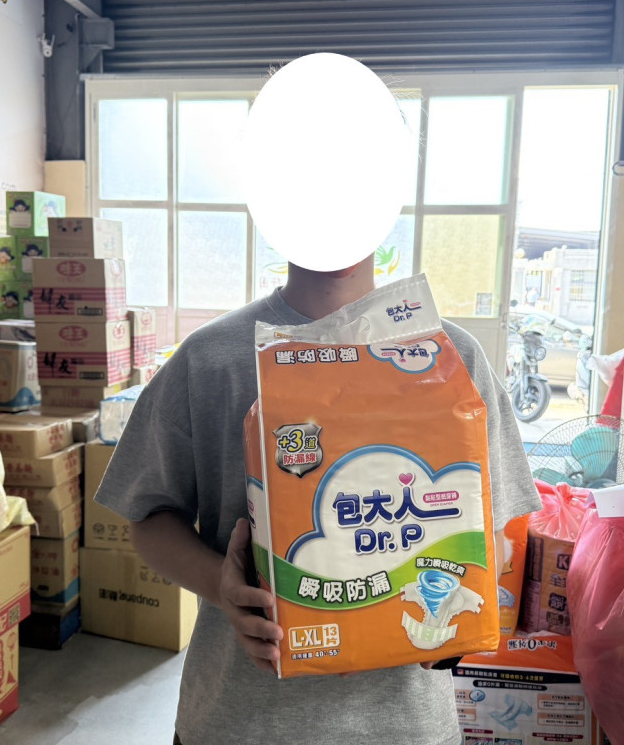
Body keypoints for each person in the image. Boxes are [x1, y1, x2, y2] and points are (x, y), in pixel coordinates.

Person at [95, 52, 540, 745]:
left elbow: (499, 535)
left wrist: (462, 613)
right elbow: (146, 516)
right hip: (238, 725)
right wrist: (222, 587)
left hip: (404, 729)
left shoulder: (452, 359)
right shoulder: (211, 359)